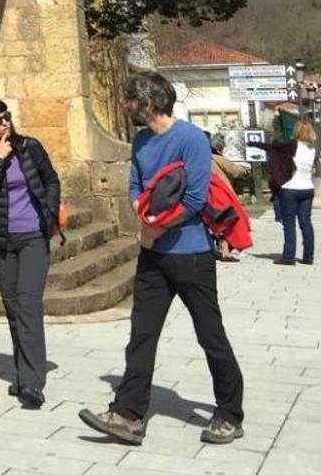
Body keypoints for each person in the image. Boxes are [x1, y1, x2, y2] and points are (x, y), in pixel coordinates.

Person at [80, 72, 244, 447]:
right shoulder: (140, 141)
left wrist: (155, 230)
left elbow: (195, 200)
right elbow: (136, 188)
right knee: (142, 334)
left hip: (191, 256)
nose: (125, 106)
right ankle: (128, 415)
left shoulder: (190, 140)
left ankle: (230, 415)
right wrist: (145, 218)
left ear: (148, 104)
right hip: (153, 257)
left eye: (129, 101)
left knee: (210, 334)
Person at [0, 100, 61, 410]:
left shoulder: (30, 147)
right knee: (13, 308)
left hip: (34, 238)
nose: (4, 123)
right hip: (1, 242)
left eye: (6, 117)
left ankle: (33, 382)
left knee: (29, 305)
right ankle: (23, 375)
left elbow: (51, 180)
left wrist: (48, 213)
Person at [249, 122, 317, 265]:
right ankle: (308, 256)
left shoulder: (293, 145)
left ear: (297, 131)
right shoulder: (312, 148)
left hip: (290, 189)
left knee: (289, 224)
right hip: (308, 188)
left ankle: (288, 257)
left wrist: (254, 143)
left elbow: (274, 148)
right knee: (306, 223)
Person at [205, 131, 249, 261]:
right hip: (220, 192)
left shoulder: (189, 158)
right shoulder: (214, 157)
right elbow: (234, 170)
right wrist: (245, 170)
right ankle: (225, 251)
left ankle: (214, 249)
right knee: (226, 220)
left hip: (202, 194)